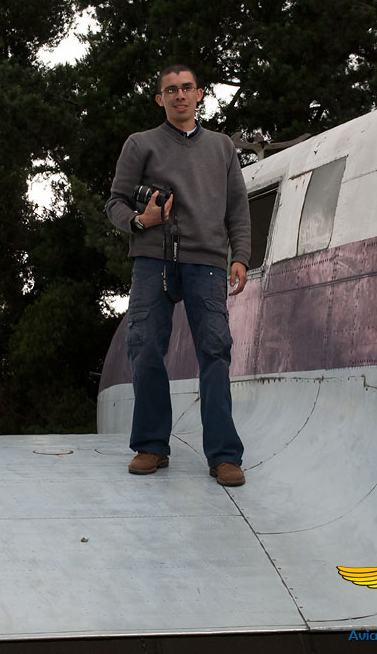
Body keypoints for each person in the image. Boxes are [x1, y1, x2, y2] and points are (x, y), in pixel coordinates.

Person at [104, 64, 250, 486]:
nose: (180, 95)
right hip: (153, 259)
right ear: (160, 99)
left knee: (215, 351)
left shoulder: (222, 147)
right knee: (145, 347)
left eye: (187, 88)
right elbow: (114, 203)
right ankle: (151, 446)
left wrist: (239, 255)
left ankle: (224, 455)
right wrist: (140, 219)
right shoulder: (140, 144)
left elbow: (237, 208)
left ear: (200, 94)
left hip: (206, 261)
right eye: (171, 90)